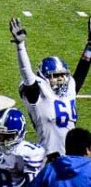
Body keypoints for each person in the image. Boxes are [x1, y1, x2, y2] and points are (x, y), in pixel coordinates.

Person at [10, 17, 89, 160]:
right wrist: (20, 46)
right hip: (47, 161)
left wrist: (90, 46)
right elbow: (26, 73)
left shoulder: (69, 90)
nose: (60, 79)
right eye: (55, 76)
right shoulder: (39, 95)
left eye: (63, 75)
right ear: (44, 78)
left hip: (71, 160)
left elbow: (81, 71)